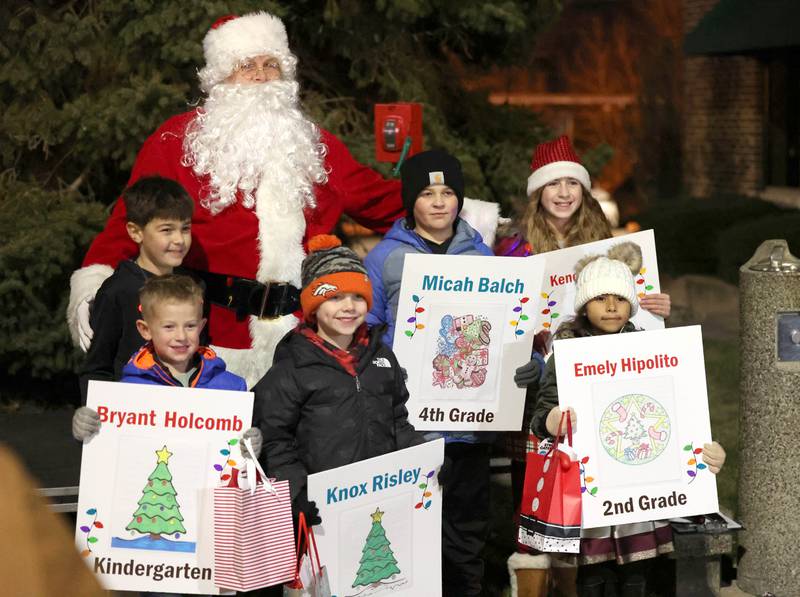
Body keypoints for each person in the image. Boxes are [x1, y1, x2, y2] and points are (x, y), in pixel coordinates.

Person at [530, 241, 726, 597]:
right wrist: (552, 419)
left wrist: (704, 451)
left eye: (620, 299)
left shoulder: (653, 350)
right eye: (600, 298)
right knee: (594, 579)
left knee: (639, 576)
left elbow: (680, 411)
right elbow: (540, 413)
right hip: (592, 496)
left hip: (641, 498)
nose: (610, 306)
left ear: (631, 306)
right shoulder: (567, 353)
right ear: (583, 305)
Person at [497, 136, 672, 530]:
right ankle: (538, 566)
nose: (563, 193)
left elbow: (628, 310)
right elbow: (503, 319)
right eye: (553, 184)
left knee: (592, 478)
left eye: (572, 183)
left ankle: (590, 561)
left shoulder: (609, 243)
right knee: (536, 485)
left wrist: (656, 309)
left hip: (596, 382)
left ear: (583, 189)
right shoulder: (512, 247)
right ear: (537, 191)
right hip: (535, 389)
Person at [364, 150, 494, 597]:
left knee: (465, 532)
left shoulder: (482, 253)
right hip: (411, 425)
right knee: (412, 531)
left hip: (471, 427)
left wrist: (520, 365)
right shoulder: (385, 258)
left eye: (448, 192)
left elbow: (503, 326)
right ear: (409, 201)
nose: (439, 202)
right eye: (426, 193)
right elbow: (365, 331)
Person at [253, 234, 425, 528]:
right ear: (313, 307)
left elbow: (397, 421)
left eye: (358, 297)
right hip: (318, 508)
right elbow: (275, 440)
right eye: (334, 297)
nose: (349, 306)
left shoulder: (381, 357)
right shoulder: (292, 367)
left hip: (378, 499)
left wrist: (426, 461)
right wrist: (296, 493)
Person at [72, 276, 260, 454]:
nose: (181, 336)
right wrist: (84, 428)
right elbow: (106, 450)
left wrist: (252, 445)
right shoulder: (126, 394)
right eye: (169, 327)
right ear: (145, 330)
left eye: (190, 326)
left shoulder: (232, 388)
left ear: (202, 327)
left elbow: (240, 455)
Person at [77, 176, 194, 402]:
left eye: (185, 228)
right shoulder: (118, 290)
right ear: (136, 232)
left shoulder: (193, 286)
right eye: (167, 230)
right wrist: (96, 422)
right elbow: (97, 367)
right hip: (131, 419)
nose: (179, 239)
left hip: (180, 418)